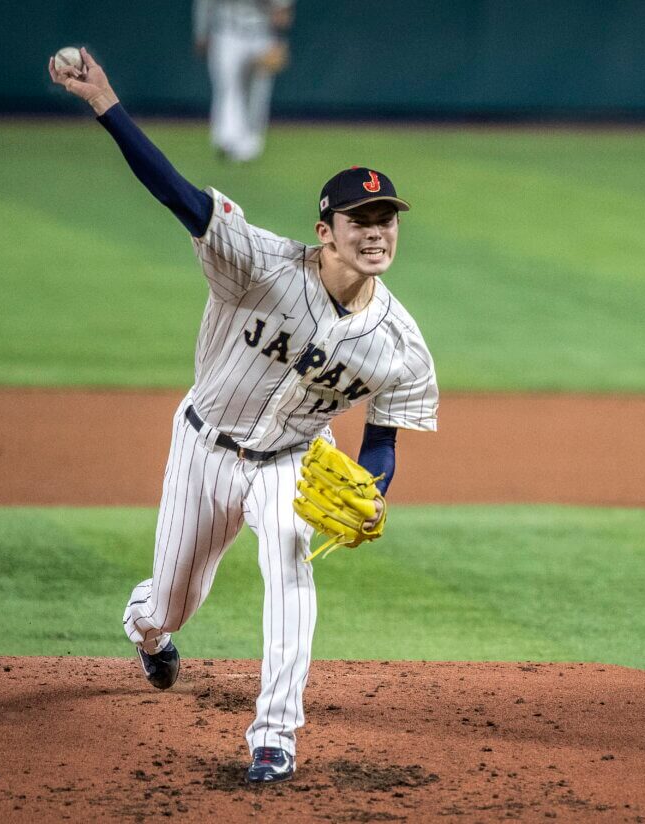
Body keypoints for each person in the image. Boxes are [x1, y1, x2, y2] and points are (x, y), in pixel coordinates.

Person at [50, 48, 438, 784]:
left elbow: (382, 438)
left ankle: (275, 736)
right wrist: (106, 103)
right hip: (203, 446)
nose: (377, 231)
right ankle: (147, 633)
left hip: (290, 461)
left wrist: (375, 485)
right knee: (170, 599)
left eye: (386, 218)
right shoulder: (256, 263)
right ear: (326, 230)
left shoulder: (401, 343)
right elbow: (176, 194)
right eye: (361, 219)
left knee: (289, 567)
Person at [194, 0, 295, 162]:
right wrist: (202, 31)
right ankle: (227, 139)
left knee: (258, 90)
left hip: (261, 32)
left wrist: (278, 40)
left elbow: (282, 11)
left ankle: (250, 143)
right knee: (227, 86)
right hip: (226, 31)